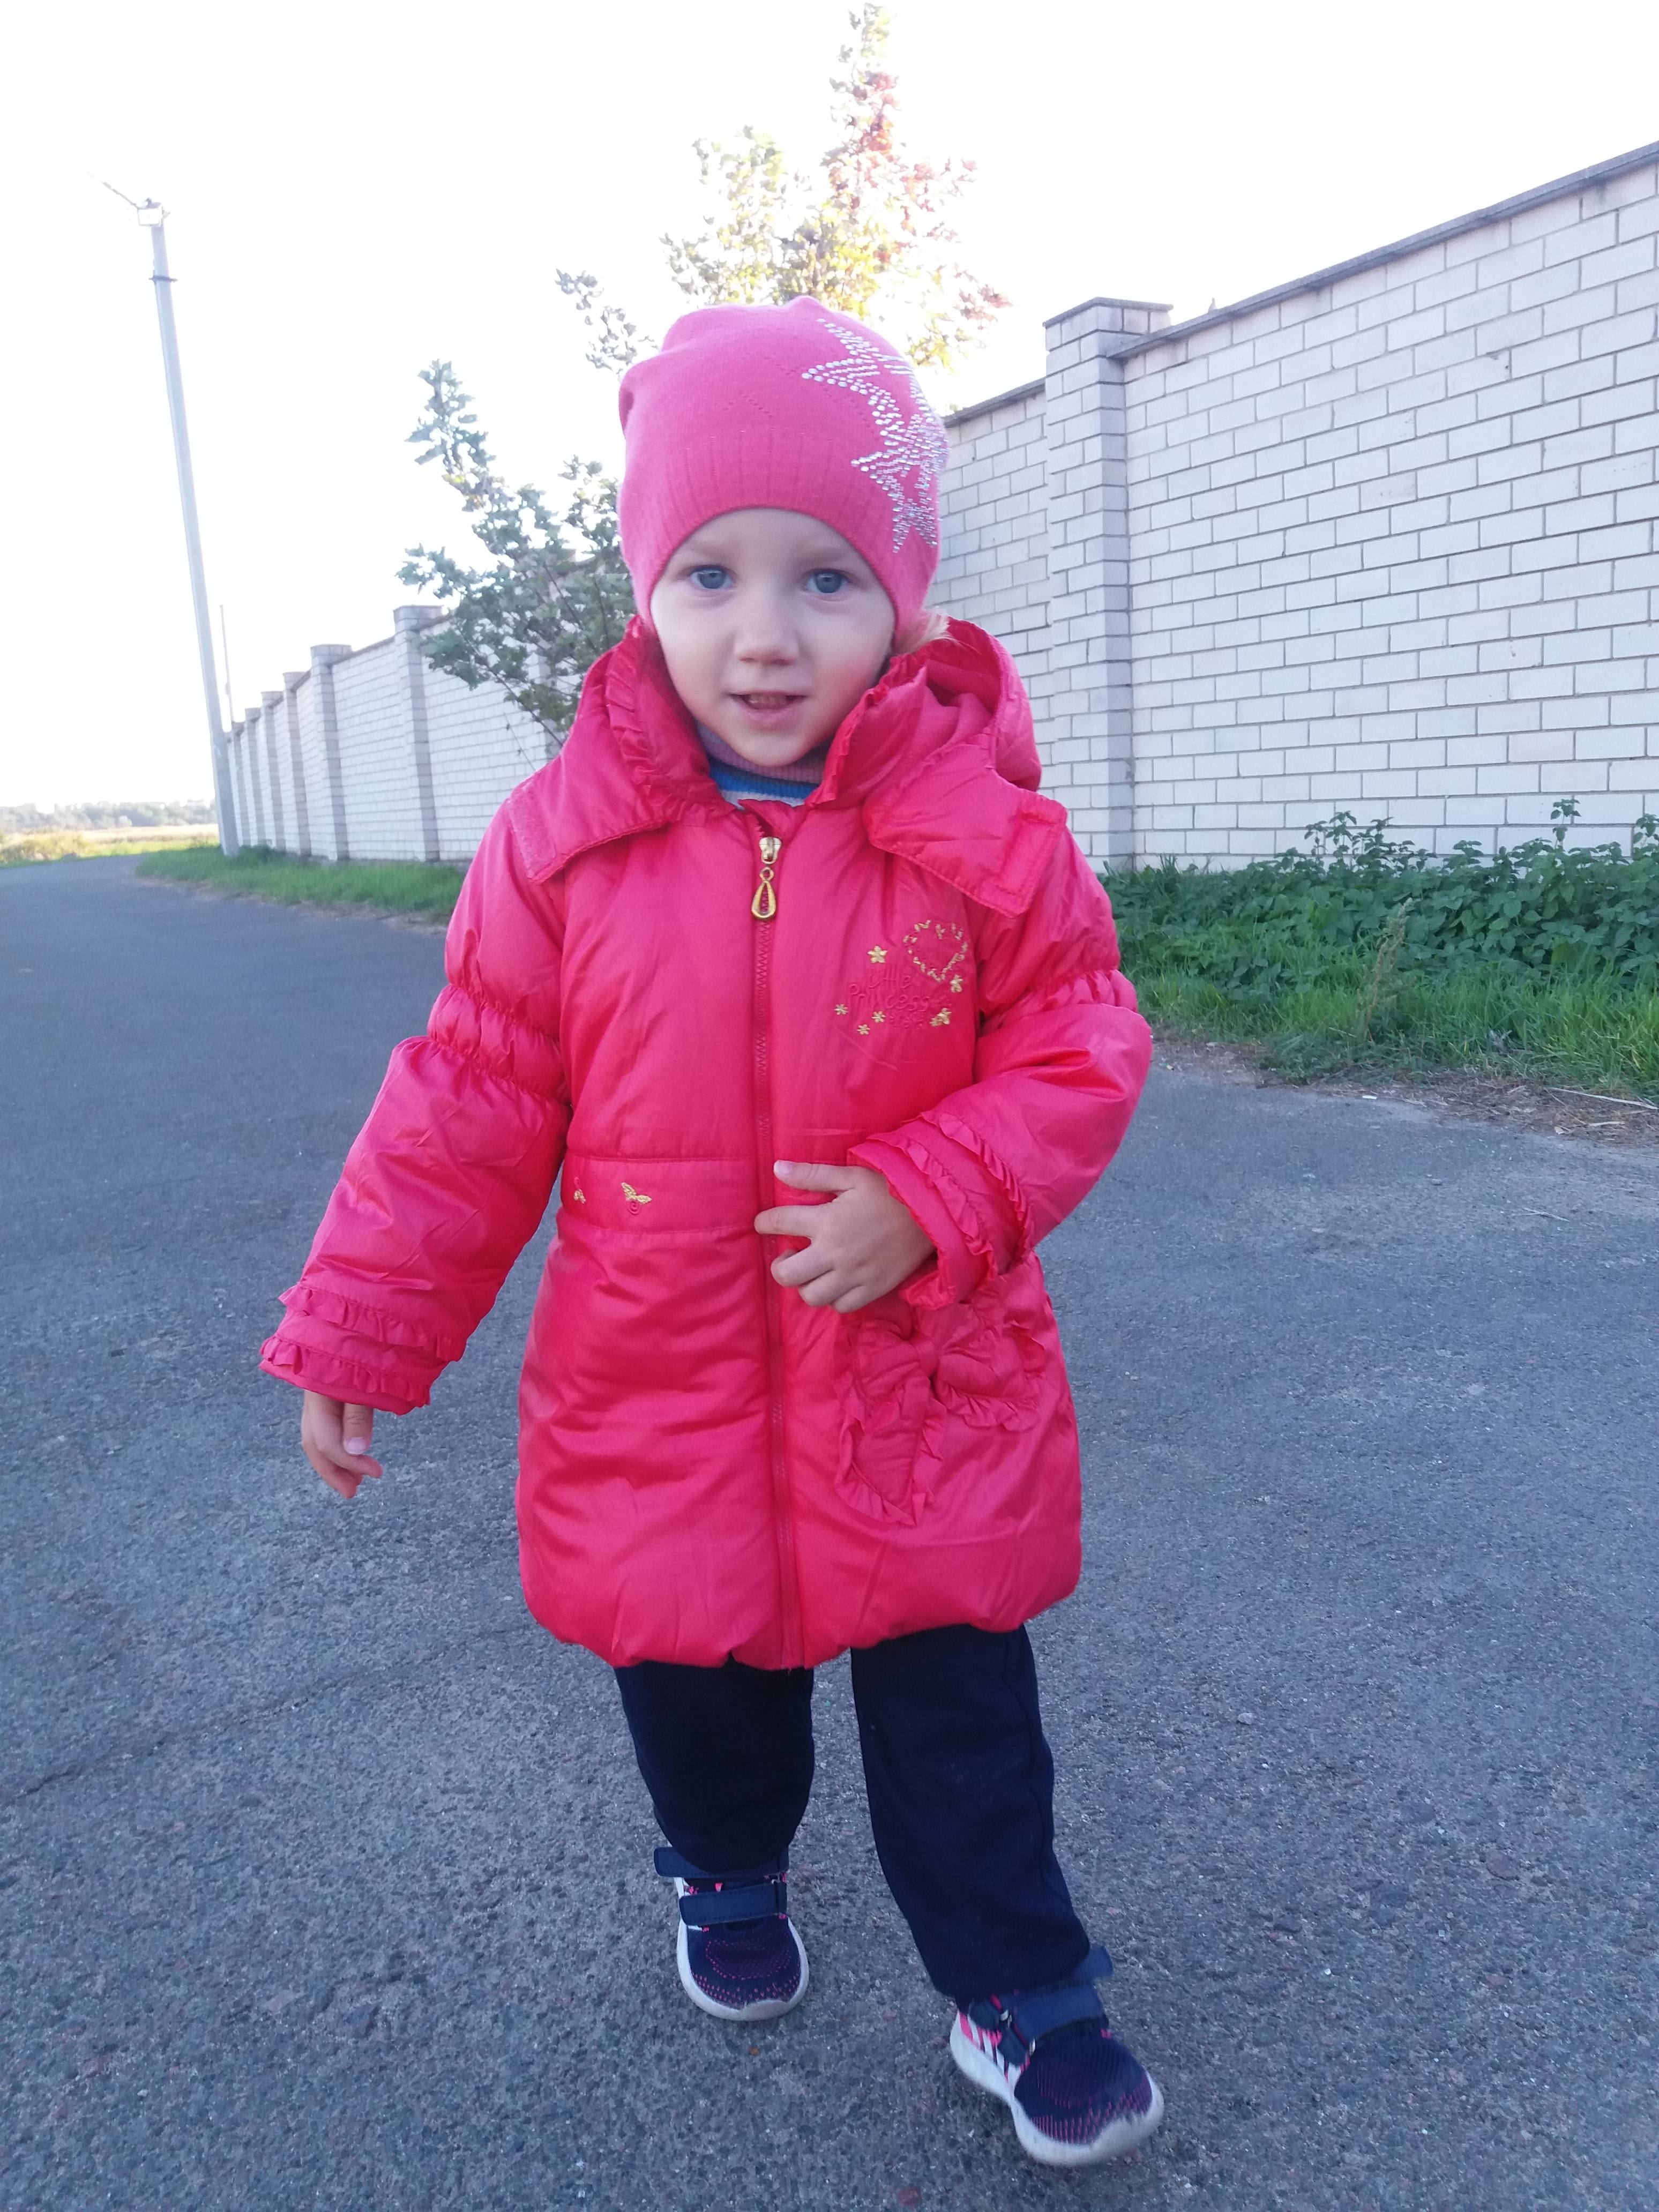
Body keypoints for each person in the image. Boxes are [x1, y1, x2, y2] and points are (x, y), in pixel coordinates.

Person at [261, 297, 1160, 2171]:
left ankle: (1024, 1989)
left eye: (827, 578)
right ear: (647, 592)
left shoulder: (986, 832)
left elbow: (1082, 1047)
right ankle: (724, 1871)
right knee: (698, 1687)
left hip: (924, 1381)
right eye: (712, 574)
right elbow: (468, 1101)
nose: (767, 632)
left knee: (963, 1712)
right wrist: (361, 1330)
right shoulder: (562, 842)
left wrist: (937, 1191)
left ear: (902, 598)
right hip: (658, 1384)